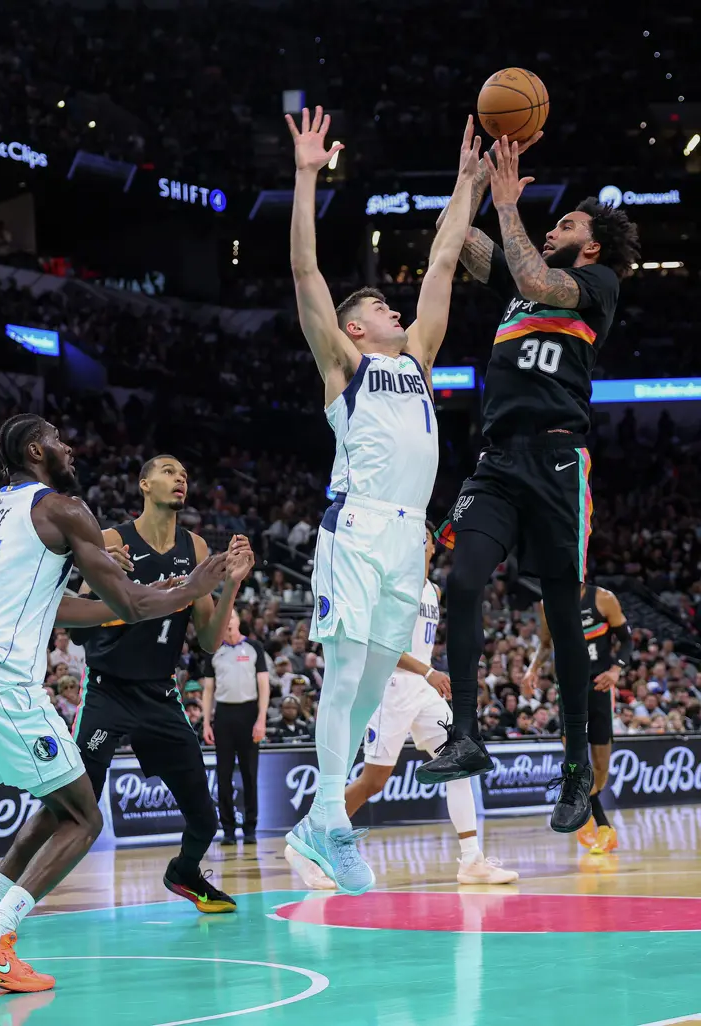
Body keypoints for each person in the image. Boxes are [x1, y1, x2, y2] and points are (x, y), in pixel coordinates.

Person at [0, 414, 227, 993]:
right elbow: (134, 606)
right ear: (37, 449)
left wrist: (140, 592)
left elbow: (64, 610)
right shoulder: (63, 509)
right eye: (60, 441)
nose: (70, 448)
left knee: (58, 801)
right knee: (86, 817)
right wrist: (194, 586)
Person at [419, 136, 641, 837]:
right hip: (497, 460)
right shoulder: (518, 280)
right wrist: (469, 186)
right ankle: (466, 737)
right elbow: (453, 242)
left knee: (561, 611)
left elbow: (538, 279)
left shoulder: (595, 288)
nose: (553, 230)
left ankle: (576, 763)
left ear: (594, 247)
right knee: (460, 581)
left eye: (567, 226)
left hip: (556, 462)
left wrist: (510, 204)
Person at [282, 108, 479, 894]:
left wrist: (465, 187)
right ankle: (330, 819)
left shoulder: (422, 361)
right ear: (355, 328)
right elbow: (304, 275)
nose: (397, 312)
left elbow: (439, 265)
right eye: (380, 311)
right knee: (344, 679)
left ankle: (321, 817)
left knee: (369, 690)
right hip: (358, 524)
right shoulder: (343, 364)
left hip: (408, 542)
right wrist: (305, 178)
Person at [69, 453, 255, 912]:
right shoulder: (112, 540)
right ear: (144, 484)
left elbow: (210, 642)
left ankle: (185, 873)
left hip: (160, 693)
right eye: (169, 472)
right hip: (107, 690)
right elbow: (75, 626)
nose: (180, 480)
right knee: (73, 809)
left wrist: (230, 585)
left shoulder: (195, 550)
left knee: (205, 818)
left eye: (185, 475)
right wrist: (95, 579)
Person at [524, 583, 631, 854]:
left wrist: (616, 670)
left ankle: (587, 810)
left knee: (601, 768)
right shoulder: (549, 602)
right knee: (575, 759)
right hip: (570, 689)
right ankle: (603, 825)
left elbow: (627, 639)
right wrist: (533, 669)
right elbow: (547, 644)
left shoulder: (604, 598)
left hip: (599, 688)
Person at [201, 610, 270, 845]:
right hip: (224, 716)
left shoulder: (253, 648)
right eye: (225, 618)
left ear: (239, 621)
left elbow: (264, 685)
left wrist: (261, 719)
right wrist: (206, 722)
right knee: (223, 775)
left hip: (249, 713)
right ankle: (228, 829)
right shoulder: (214, 651)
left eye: (232, 617)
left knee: (250, 775)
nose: (228, 622)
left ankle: (250, 827)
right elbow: (208, 690)